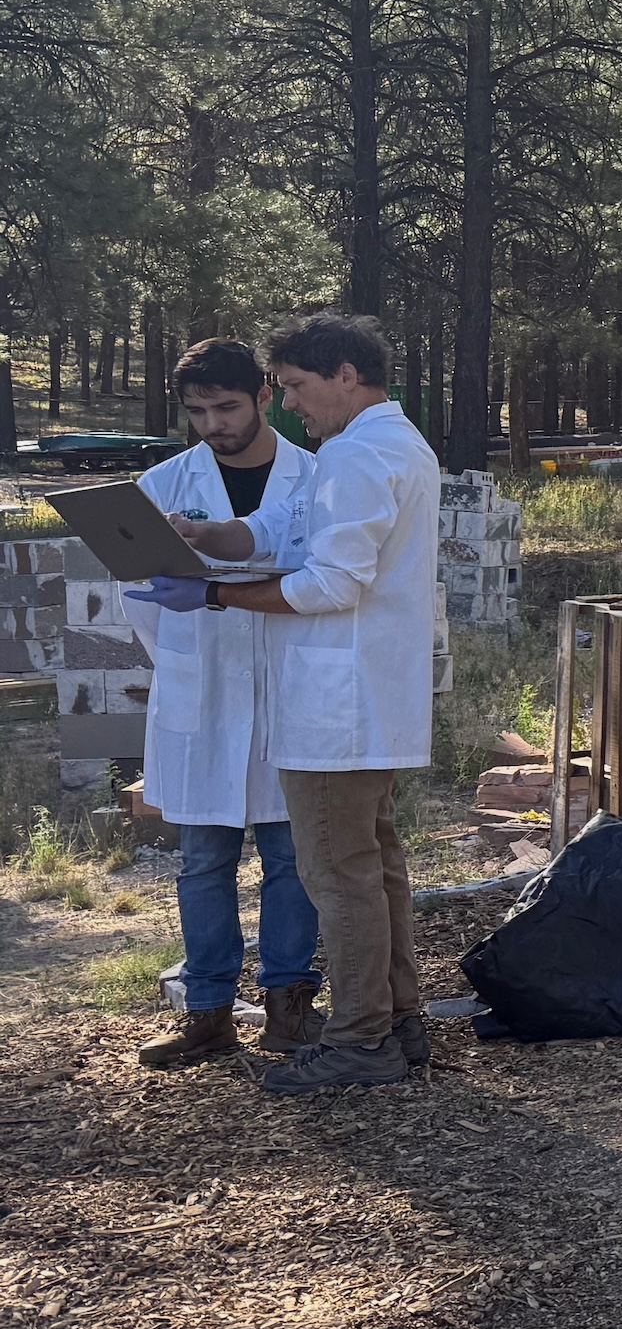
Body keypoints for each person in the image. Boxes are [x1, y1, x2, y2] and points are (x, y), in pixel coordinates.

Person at [159, 311, 441, 1095]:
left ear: (345, 374)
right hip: (368, 696)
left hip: (335, 705)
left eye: (295, 388)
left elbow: (329, 582)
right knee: (376, 866)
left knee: (338, 874)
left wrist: (213, 593)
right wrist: (209, 535)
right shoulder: (388, 443)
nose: (290, 407)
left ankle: (358, 1040)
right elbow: (287, 527)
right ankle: (400, 1019)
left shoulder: (354, 456)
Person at [129, 339, 322, 1069]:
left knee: (291, 854)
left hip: (290, 690)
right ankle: (208, 1011)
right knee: (202, 861)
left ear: (266, 396)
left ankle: (289, 1006)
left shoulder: (315, 477)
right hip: (201, 692)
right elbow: (139, 599)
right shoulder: (163, 485)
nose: (214, 422)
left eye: (228, 406)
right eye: (199, 411)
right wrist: (186, 666)